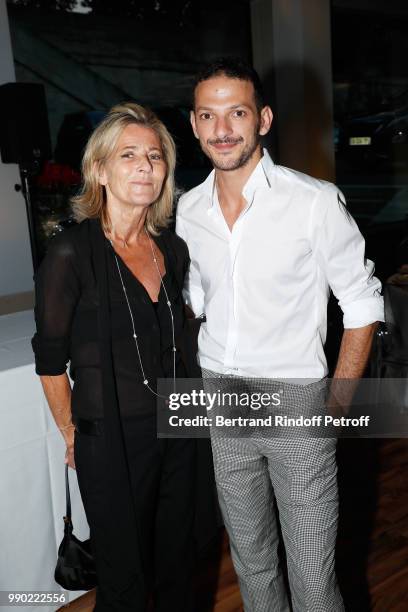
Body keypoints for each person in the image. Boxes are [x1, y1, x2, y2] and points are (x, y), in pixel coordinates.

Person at [176, 58, 384, 611]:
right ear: (194, 125)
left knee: (314, 576)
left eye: (236, 112)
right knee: (252, 560)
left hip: (298, 401)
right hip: (222, 397)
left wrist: (336, 404)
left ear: (263, 119)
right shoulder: (186, 210)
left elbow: (363, 303)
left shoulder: (313, 202)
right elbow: (196, 298)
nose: (222, 129)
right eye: (208, 115)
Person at [32, 103, 198, 611]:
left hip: (180, 425)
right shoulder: (70, 253)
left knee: (179, 563)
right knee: (125, 578)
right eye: (128, 155)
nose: (145, 165)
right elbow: (49, 358)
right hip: (112, 436)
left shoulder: (172, 249)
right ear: (100, 170)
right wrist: (70, 433)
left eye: (155, 155)